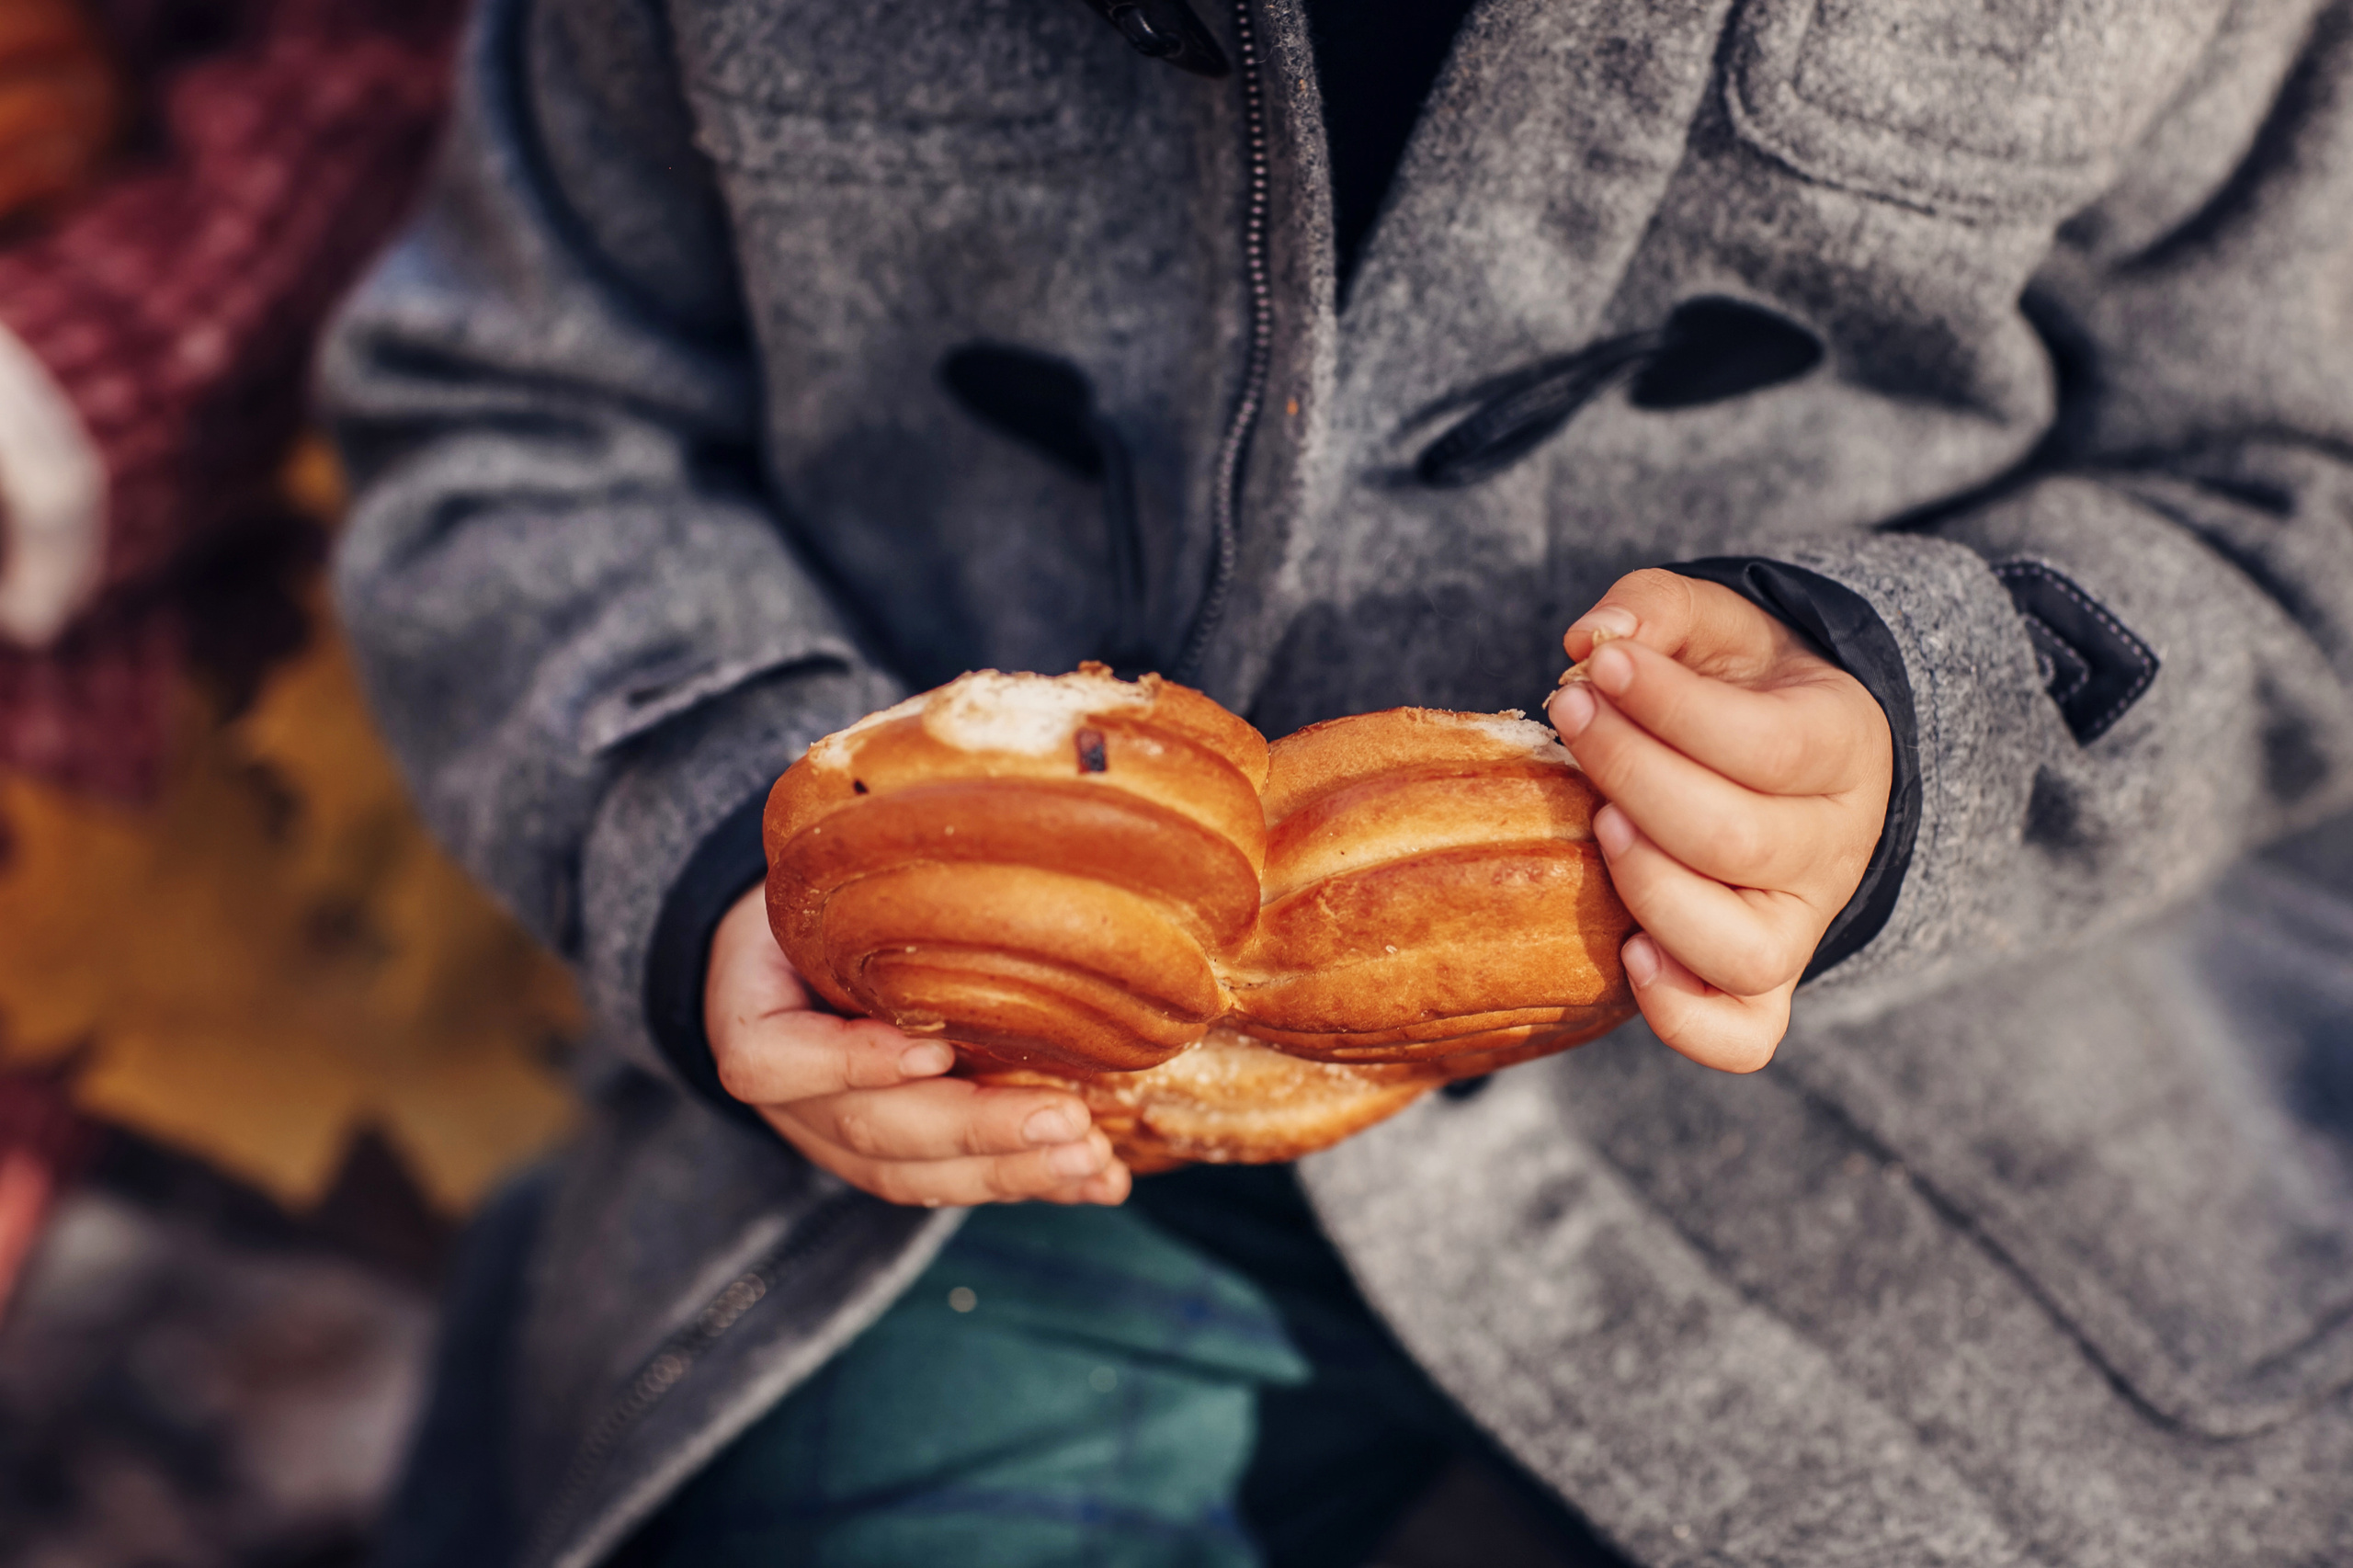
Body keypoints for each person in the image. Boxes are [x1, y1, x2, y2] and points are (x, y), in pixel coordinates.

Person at [331, 0, 2353, 1563]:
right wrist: (711, 844)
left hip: (1926, 1111)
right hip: (995, 1140)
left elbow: (2299, 483)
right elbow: (514, 424)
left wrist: (1920, 736)